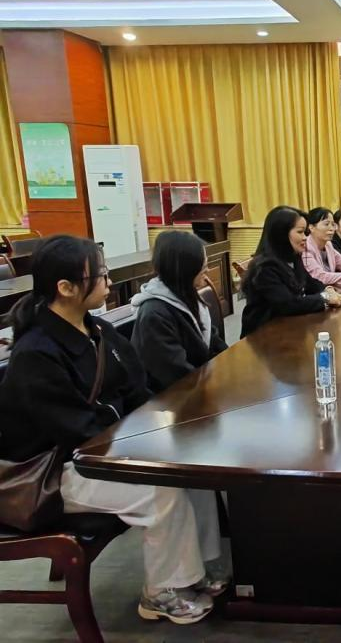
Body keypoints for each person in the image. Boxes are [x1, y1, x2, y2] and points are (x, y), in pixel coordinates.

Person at [0, 235, 224, 624]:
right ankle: (161, 592)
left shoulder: (99, 331)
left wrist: (160, 423)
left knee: (191, 466)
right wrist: (141, 440)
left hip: (104, 447)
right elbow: (74, 431)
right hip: (54, 471)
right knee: (160, 488)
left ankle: (194, 572)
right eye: (100, 275)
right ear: (66, 288)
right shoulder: (36, 352)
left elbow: (137, 389)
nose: (108, 281)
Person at [130, 230, 228, 393]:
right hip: (173, 399)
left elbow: (212, 341)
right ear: (185, 269)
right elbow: (177, 375)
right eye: (203, 266)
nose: (208, 270)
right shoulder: (154, 315)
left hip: (199, 385)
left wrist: (232, 365)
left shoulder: (187, 295)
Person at [241, 206, 341, 338]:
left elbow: (311, 283)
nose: (305, 238)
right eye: (300, 232)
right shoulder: (265, 268)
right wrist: (325, 298)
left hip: (288, 328)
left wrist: (328, 290)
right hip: (262, 335)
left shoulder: (293, 257)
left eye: (305, 233)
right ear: (281, 234)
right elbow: (289, 304)